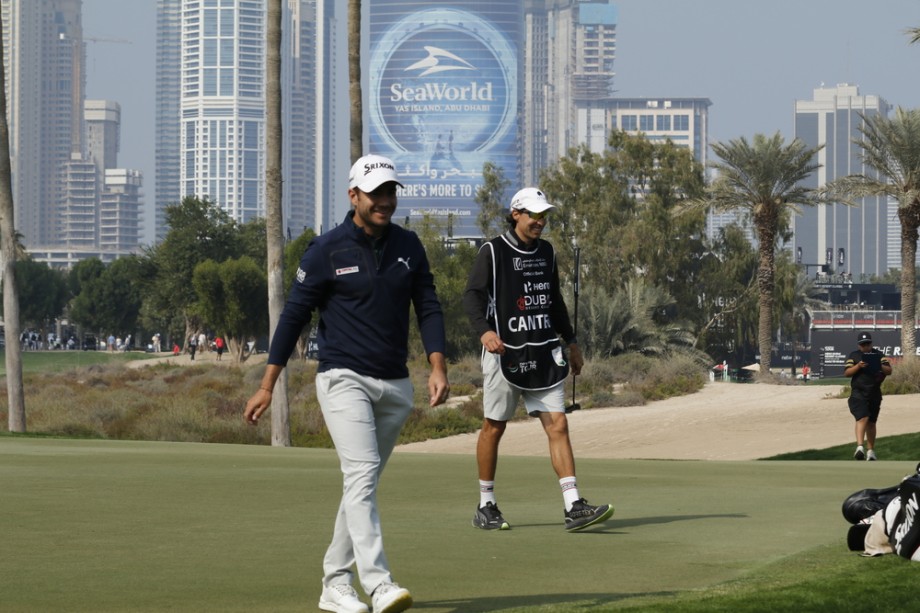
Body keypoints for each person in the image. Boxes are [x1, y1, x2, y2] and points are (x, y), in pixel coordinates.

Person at [244, 154, 449, 613]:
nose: (385, 201)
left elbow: (429, 307)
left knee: (363, 485)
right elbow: (293, 316)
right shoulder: (325, 250)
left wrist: (438, 367)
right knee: (360, 476)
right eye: (376, 194)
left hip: (395, 386)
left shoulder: (409, 246)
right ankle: (378, 583)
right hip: (343, 379)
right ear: (353, 195)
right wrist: (267, 384)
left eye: (390, 192)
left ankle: (334, 583)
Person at [462, 187, 613, 533]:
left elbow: (554, 300)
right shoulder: (493, 251)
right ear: (516, 214)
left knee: (558, 425)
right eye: (533, 214)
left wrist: (572, 342)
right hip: (505, 353)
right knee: (494, 427)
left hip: (545, 351)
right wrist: (484, 332)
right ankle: (486, 505)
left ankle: (573, 505)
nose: (540, 221)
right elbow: (472, 296)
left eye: (543, 215)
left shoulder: (547, 252)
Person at [844, 332, 892, 461]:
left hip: (874, 394)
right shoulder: (854, 355)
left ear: (871, 343)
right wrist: (858, 366)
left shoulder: (878, 355)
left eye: (868, 344)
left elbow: (889, 371)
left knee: (871, 422)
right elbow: (847, 372)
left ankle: (871, 451)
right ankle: (860, 447)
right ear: (859, 345)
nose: (865, 346)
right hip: (858, 394)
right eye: (863, 344)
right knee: (863, 418)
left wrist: (878, 364)